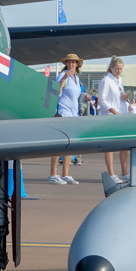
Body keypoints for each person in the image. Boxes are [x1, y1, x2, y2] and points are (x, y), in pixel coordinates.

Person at [49, 54, 83, 184]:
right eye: (69, 62)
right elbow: (57, 93)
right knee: (59, 144)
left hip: (73, 114)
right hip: (63, 113)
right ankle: (53, 174)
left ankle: (65, 174)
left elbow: (76, 95)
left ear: (77, 64)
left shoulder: (76, 78)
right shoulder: (63, 76)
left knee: (70, 146)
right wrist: (64, 78)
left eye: (73, 62)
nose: (71, 64)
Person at [97, 58, 130, 183]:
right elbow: (102, 100)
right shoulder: (106, 81)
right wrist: (114, 111)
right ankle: (111, 174)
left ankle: (124, 173)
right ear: (111, 67)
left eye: (121, 69)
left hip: (120, 115)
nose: (119, 71)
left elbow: (119, 97)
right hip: (110, 117)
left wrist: (125, 97)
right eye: (117, 68)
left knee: (124, 145)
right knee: (109, 146)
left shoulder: (119, 80)